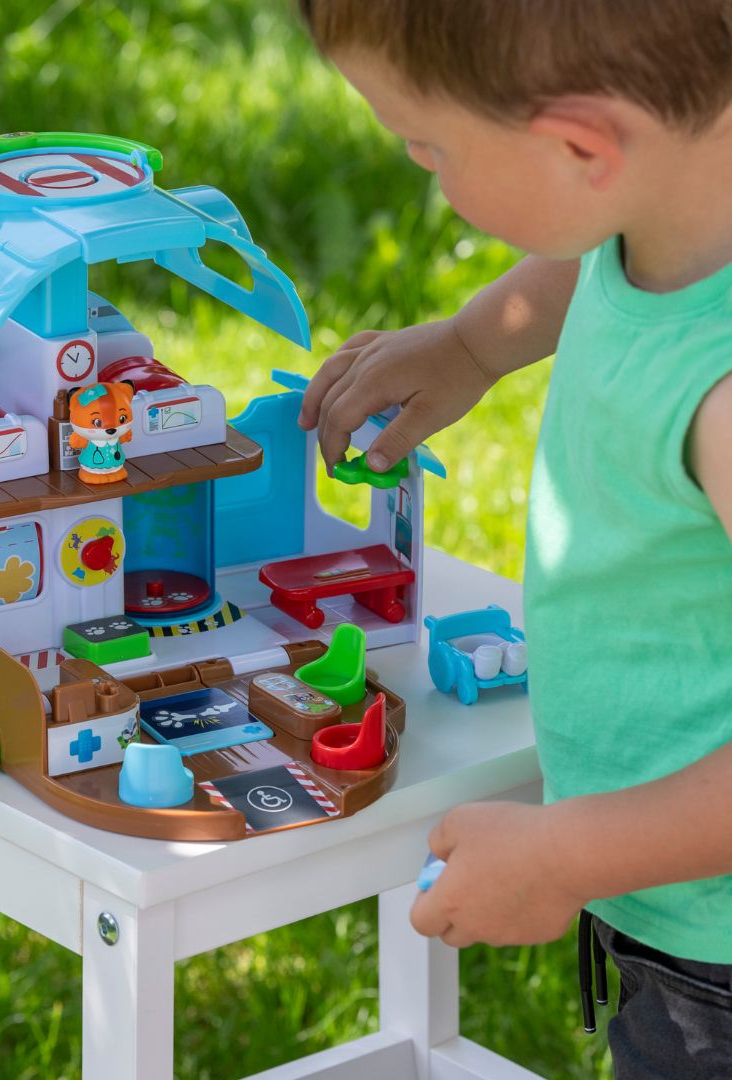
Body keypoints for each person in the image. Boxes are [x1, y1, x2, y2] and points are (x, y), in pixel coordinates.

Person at [295, 1, 732, 1074]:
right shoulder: (678, 200)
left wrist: (567, 854)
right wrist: (471, 345)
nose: (422, 171)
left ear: (581, 147)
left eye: (429, 147)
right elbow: (591, 259)